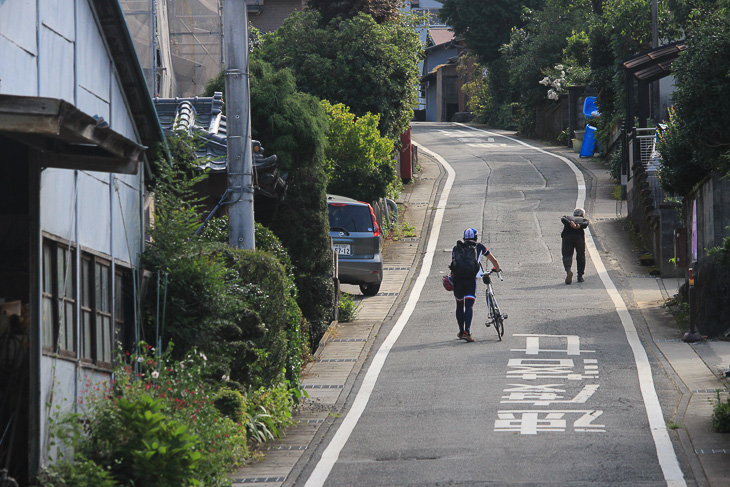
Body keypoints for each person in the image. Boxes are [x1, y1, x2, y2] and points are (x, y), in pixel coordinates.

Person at [449, 228, 501, 342]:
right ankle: (467, 332)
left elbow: (453, 265)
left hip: (458, 280)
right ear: (476, 238)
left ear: (464, 239)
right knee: (469, 306)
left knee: (459, 305)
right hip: (470, 280)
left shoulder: (456, 248)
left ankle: (461, 331)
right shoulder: (480, 247)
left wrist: (450, 278)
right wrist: (497, 269)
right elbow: (494, 260)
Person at [561, 208, 590, 284]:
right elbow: (586, 224)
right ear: (582, 215)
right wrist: (578, 226)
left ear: (574, 214)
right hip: (579, 237)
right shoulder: (583, 219)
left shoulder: (567, 217)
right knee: (581, 255)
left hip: (567, 236)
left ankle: (568, 270)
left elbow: (562, 219)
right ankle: (580, 276)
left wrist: (570, 223)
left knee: (567, 255)